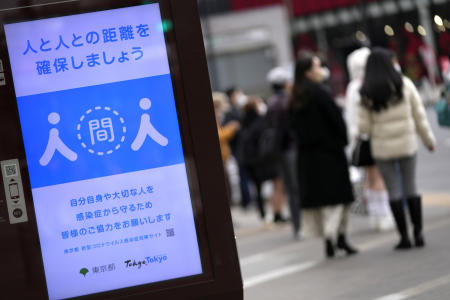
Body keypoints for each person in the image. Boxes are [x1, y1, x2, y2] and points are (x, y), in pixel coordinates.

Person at [359, 47, 436, 250]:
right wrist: (428, 140)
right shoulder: (405, 85)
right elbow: (420, 117)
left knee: (393, 190)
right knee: (411, 187)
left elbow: (363, 128)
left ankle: (404, 237)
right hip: (406, 144)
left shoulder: (366, 92)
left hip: (382, 148)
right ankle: (418, 233)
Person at [290, 51, 357, 258]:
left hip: (309, 157)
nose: (321, 70)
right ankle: (338, 236)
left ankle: (330, 240)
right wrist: (344, 141)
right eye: (317, 66)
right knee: (340, 197)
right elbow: (336, 120)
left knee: (323, 199)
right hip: (330, 152)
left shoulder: (296, 96)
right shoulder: (320, 93)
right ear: (308, 72)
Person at [345, 48, 393, 231]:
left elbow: (350, 118)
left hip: (359, 140)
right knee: (380, 176)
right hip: (373, 136)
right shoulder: (368, 85)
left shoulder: (351, 88)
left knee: (369, 178)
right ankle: (385, 215)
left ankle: (374, 215)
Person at [266, 66, 300, 231]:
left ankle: (297, 224)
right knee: (296, 188)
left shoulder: (271, 103)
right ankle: (301, 224)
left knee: (289, 187)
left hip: (279, 150)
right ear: (286, 83)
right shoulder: (288, 101)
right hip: (290, 148)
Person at [224, 87, 251, 209]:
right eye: (236, 94)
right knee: (242, 175)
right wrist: (233, 128)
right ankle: (246, 201)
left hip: (247, 148)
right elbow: (226, 132)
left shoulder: (243, 109)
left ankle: (249, 199)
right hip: (238, 148)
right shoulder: (229, 113)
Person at [213, 92, 240, 203]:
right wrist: (231, 129)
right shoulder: (211, 118)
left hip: (223, 158)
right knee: (226, 190)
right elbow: (217, 136)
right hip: (219, 159)